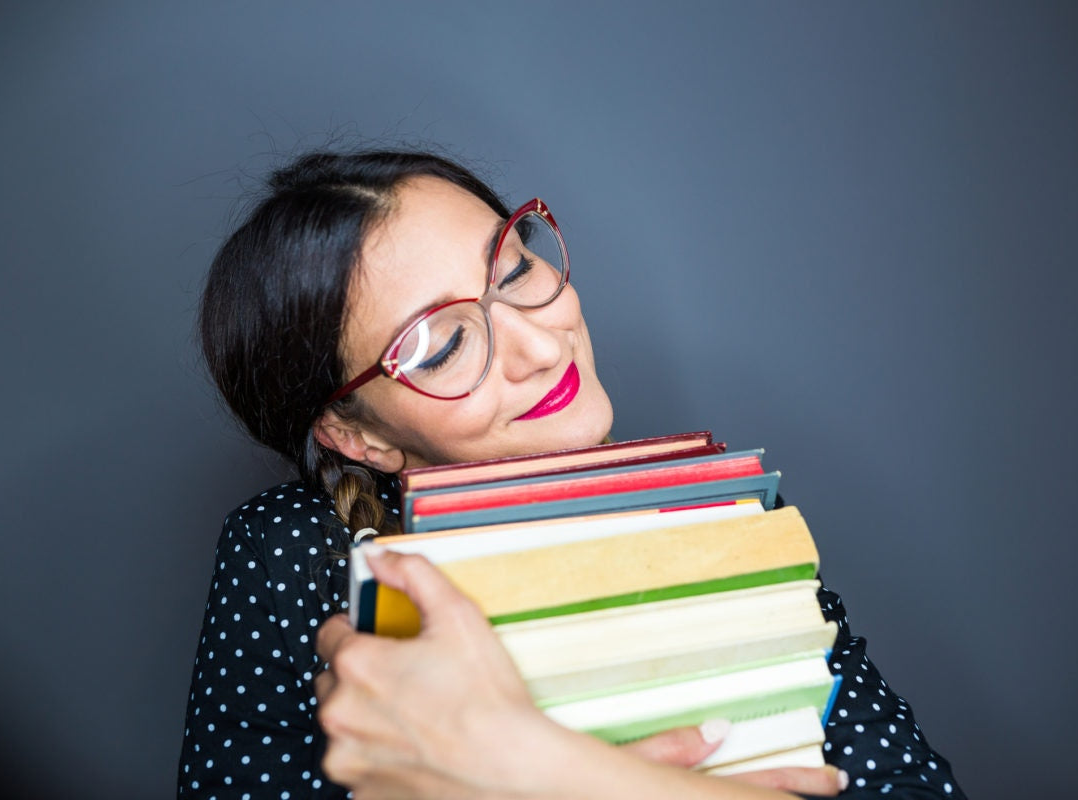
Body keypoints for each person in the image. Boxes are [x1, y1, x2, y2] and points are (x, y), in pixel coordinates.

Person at [179, 149, 964, 799]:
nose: (543, 348)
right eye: (445, 347)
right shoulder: (291, 555)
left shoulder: (716, 519)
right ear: (355, 432)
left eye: (515, 272)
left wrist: (527, 766)